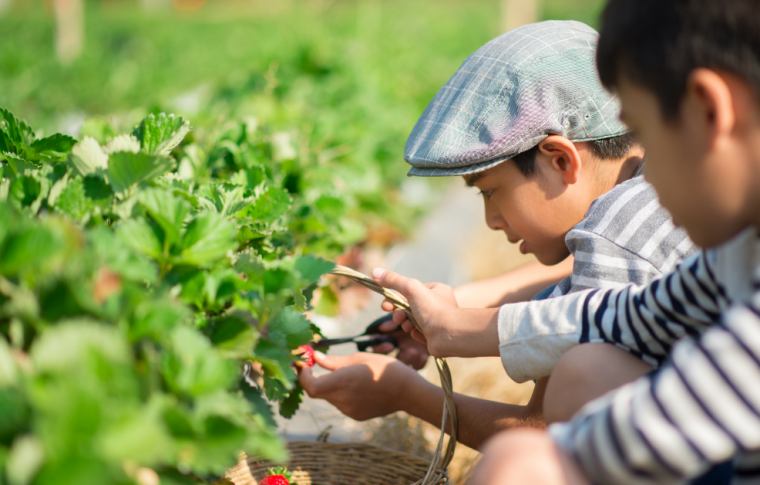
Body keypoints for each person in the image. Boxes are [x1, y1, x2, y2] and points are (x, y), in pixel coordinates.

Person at [391, 0, 760, 482]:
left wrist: (406, 395)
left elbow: (547, 437)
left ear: (708, 111)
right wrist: (458, 323)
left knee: (570, 393)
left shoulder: (627, 218)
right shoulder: (738, 252)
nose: (649, 178)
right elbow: (633, 312)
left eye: (646, 133)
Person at [298, 20, 694, 450]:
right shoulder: (655, 185)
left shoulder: (618, 230)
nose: (491, 220)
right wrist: (459, 305)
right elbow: (584, 290)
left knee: (576, 381)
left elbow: (540, 436)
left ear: (560, 159)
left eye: (490, 192)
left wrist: (407, 394)